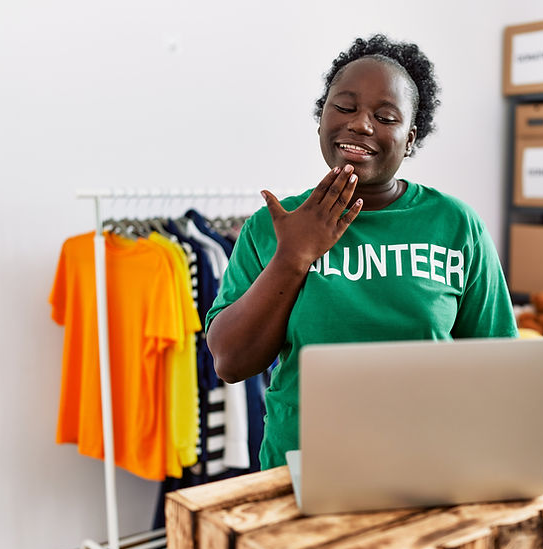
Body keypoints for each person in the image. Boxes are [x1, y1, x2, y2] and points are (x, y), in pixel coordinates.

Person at [205, 34, 517, 470]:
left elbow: (498, 370)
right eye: (345, 108)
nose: (361, 124)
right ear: (321, 120)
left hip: (425, 467)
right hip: (300, 469)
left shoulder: (456, 225)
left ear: (409, 139)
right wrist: (292, 256)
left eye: (384, 116)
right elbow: (231, 361)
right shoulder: (272, 227)